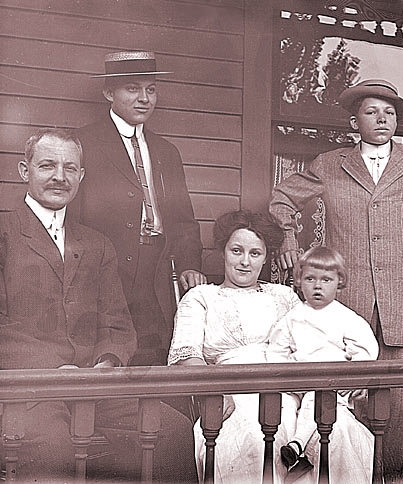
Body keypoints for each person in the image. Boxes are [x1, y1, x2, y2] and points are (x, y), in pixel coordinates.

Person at [269, 78, 403, 472]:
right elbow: (281, 198)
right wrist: (290, 237)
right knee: (346, 394)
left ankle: (389, 475)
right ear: (354, 121)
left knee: (400, 400)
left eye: (390, 112)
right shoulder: (329, 164)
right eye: (371, 111)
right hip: (346, 300)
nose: (382, 119)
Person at [0, 128, 197, 482]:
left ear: (81, 176)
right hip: (26, 390)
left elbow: (118, 324)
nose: (60, 177)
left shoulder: (96, 244)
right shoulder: (4, 235)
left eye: (70, 168)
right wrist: (54, 371)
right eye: (47, 165)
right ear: (24, 171)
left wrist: (106, 363)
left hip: (94, 387)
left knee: (173, 430)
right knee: (53, 449)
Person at [168, 210, 376, 484]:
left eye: (255, 253)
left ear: (266, 258)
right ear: (223, 251)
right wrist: (216, 390)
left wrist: (355, 370)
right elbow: (187, 357)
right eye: (236, 251)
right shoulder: (202, 297)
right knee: (258, 439)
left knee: (337, 431)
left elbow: (327, 335)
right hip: (234, 393)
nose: (244, 262)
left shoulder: (285, 296)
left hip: (293, 388)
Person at [73, 51, 204, 366]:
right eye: (133, 88)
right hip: (106, 270)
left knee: (152, 356)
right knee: (106, 354)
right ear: (109, 93)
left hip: (156, 271)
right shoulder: (84, 143)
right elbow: (73, 217)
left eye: (151, 89)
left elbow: (184, 220)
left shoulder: (166, 152)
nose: (144, 98)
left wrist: (189, 264)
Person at [266, 246, 378, 482]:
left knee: (315, 403)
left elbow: (365, 350)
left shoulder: (346, 317)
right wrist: (285, 377)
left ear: (339, 282)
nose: (318, 286)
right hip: (299, 380)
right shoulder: (292, 317)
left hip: (332, 382)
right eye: (310, 279)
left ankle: (297, 446)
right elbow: (277, 350)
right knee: (301, 403)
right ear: (299, 281)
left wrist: (356, 375)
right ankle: (302, 453)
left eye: (326, 279)